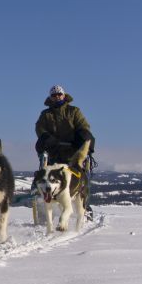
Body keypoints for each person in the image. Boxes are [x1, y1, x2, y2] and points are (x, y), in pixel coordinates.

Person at [35, 84, 95, 216]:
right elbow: (40, 128)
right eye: (54, 95)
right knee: (48, 178)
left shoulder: (74, 111)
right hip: (54, 151)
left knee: (82, 181)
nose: (57, 97)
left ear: (64, 95)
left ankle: (84, 207)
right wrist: (46, 137)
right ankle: (46, 208)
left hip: (73, 151)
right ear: (50, 97)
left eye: (59, 94)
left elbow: (83, 125)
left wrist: (85, 138)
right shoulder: (45, 114)